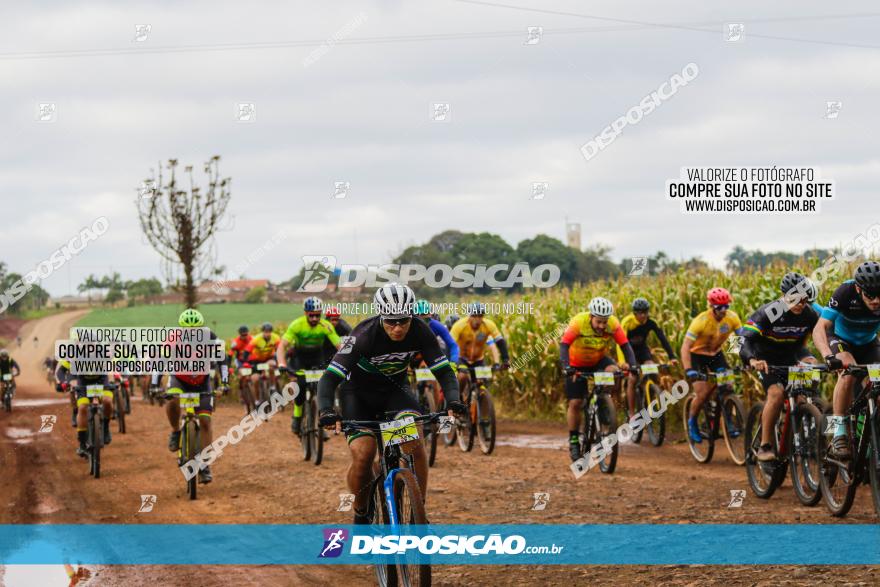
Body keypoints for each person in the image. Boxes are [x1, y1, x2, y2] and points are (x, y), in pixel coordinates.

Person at [315, 283, 465, 524]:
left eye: (403, 321)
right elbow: (330, 377)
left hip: (395, 392)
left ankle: (419, 513)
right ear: (381, 316)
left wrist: (453, 400)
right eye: (391, 321)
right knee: (364, 454)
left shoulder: (420, 330)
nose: (397, 328)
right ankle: (361, 511)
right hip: (357, 394)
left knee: (414, 443)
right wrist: (326, 410)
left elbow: (445, 372)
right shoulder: (362, 335)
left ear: (411, 316)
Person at [740, 273, 821, 461]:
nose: (800, 304)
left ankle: (799, 432)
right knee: (776, 394)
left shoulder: (809, 314)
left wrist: (817, 358)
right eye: (795, 299)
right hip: (765, 358)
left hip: (792, 353)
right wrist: (751, 360)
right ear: (784, 295)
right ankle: (765, 445)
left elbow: (821, 337)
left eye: (804, 299)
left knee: (803, 394)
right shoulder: (769, 312)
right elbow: (740, 340)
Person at [813, 261, 880, 459]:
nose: (876, 300)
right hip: (841, 340)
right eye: (870, 295)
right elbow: (820, 327)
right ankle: (839, 431)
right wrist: (828, 356)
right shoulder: (845, 291)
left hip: (869, 344)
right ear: (859, 289)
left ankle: (869, 433)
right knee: (848, 372)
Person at [154, 309, 228, 484]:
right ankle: (175, 431)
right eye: (188, 330)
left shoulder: (210, 336)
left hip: (202, 382)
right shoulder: (173, 338)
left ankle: (204, 465)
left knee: (205, 421)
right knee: (172, 399)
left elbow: (223, 359)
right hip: (179, 379)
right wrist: (154, 384)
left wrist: (224, 382)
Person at [559, 297, 637, 461]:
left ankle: (603, 403)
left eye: (605, 322)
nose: (602, 326)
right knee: (576, 403)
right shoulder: (578, 322)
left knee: (614, 371)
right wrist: (567, 367)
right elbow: (564, 345)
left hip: (598, 360)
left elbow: (625, 345)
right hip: (576, 364)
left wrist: (633, 365)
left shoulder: (613, 324)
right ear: (591, 317)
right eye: (599, 322)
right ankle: (574, 441)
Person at [681, 287, 743, 444]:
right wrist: (689, 369)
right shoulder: (700, 322)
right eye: (719, 307)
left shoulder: (732, 318)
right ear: (712, 307)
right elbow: (685, 346)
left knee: (727, 386)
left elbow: (741, 340)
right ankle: (692, 422)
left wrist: (741, 359)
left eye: (726, 306)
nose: (723, 310)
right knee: (702, 394)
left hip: (716, 355)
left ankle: (727, 420)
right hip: (697, 356)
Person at [277, 297, 341, 434]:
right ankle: (297, 416)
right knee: (300, 388)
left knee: (322, 388)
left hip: (317, 358)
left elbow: (339, 346)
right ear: (305, 313)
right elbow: (282, 346)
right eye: (311, 315)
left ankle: (320, 419)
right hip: (299, 359)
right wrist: (282, 363)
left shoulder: (326, 325)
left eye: (318, 315)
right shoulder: (297, 325)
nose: (314, 318)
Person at [618, 297, 677, 417]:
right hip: (629, 351)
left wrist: (672, 356)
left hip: (642, 349)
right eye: (640, 312)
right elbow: (620, 343)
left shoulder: (651, 322)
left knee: (652, 369)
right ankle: (631, 412)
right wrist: (622, 362)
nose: (643, 315)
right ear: (635, 313)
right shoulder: (627, 322)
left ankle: (650, 396)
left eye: (645, 312)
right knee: (633, 379)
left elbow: (663, 339)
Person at [449, 303, 510, 398]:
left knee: (483, 382)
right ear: (469, 316)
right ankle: (458, 400)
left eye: (480, 316)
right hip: (462, 359)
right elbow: (450, 344)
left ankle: (481, 404)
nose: (477, 319)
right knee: (462, 376)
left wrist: (505, 359)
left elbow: (500, 342)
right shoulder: (459, 325)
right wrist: (451, 362)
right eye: (474, 316)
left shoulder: (488, 325)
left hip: (478, 360)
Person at [241, 322, 281, 404]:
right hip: (256, 360)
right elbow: (246, 352)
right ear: (263, 332)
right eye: (266, 332)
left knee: (272, 364)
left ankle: (272, 387)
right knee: (255, 379)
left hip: (268, 358)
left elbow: (279, 350)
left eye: (269, 331)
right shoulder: (256, 339)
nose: (268, 333)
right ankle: (257, 400)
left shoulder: (276, 338)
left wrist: (279, 361)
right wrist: (245, 363)